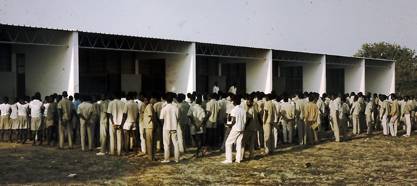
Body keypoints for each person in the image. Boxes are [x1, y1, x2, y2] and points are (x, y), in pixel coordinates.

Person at [222, 95, 246, 164]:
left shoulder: (234, 110)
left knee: (228, 143)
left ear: (234, 102)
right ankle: (238, 159)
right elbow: (244, 121)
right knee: (239, 144)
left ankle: (229, 159)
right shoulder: (243, 110)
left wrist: (227, 124)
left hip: (236, 128)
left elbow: (233, 121)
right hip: (242, 128)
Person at [160, 93, 180, 163]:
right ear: (172, 100)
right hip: (174, 127)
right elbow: (178, 118)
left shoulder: (164, 108)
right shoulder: (176, 108)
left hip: (166, 127)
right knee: (176, 143)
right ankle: (177, 159)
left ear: (166, 100)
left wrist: (164, 125)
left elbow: (161, 119)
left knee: (166, 144)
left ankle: (167, 159)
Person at [142, 96, 156, 160]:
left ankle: (150, 157)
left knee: (149, 142)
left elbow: (150, 115)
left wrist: (153, 123)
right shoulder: (149, 106)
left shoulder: (149, 106)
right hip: (149, 126)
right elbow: (151, 116)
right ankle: (151, 156)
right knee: (150, 142)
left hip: (149, 126)